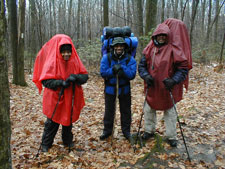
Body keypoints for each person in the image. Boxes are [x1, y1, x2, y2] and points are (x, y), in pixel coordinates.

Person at [138, 19, 191, 147]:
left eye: (164, 35)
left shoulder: (174, 49)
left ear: (167, 36)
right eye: (159, 35)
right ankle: (149, 131)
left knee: (170, 112)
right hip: (153, 87)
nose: (161, 38)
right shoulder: (149, 49)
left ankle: (171, 136)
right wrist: (145, 76)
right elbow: (141, 66)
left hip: (168, 87)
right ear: (155, 36)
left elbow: (183, 68)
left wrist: (174, 80)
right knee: (149, 109)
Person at [33, 34, 88, 152]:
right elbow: (46, 81)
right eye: (64, 52)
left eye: (68, 51)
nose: (66, 54)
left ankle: (67, 141)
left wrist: (76, 77)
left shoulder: (75, 61)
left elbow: (84, 76)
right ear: (59, 51)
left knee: (68, 120)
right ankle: (46, 144)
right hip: (55, 98)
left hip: (70, 97)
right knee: (52, 122)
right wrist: (60, 83)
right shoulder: (52, 62)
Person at [100, 37, 137, 141]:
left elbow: (132, 74)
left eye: (121, 46)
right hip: (110, 90)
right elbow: (103, 72)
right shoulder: (106, 58)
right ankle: (107, 131)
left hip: (124, 90)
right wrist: (113, 70)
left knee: (126, 111)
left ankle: (126, 132)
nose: (119, 48)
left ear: (124, 47)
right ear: (113, 47)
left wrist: (122, 69)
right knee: (109, 111)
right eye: (117, 46)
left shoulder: (130, 59)